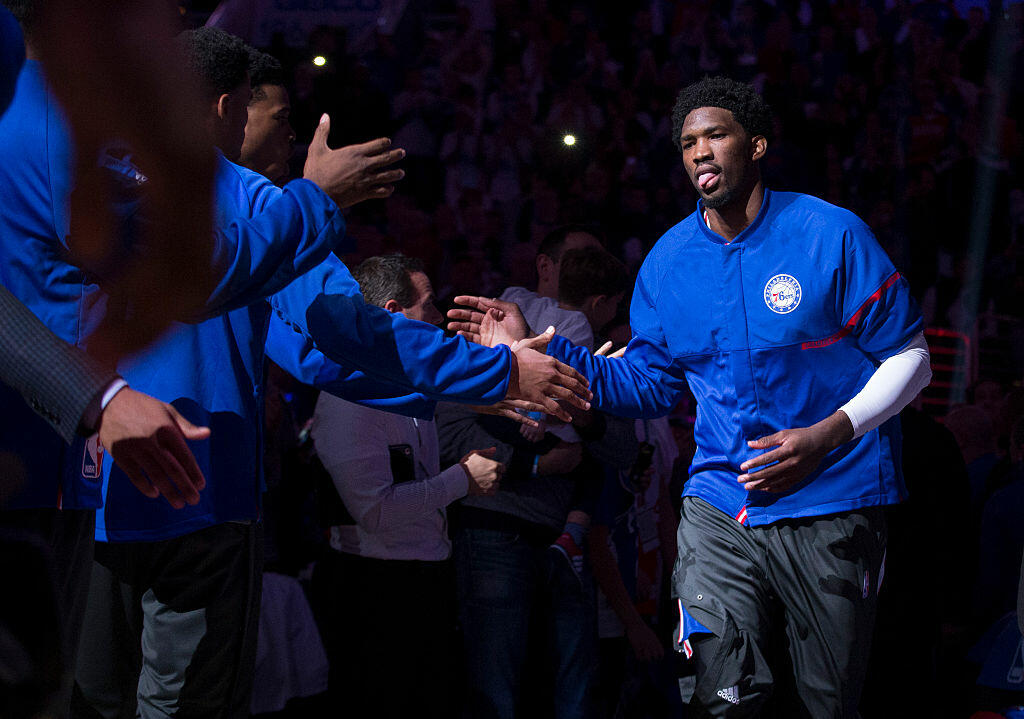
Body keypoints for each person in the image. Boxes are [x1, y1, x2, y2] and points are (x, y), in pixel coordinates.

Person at [67, 29, 587, 719]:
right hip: (203, 500)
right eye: (273, 114)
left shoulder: (82, 178)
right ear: (228, 108)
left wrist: (471, 384)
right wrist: (490, 371)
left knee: (89, 699)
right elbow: (343, 335)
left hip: (87, 498)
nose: (284, 136)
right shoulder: (265, 206)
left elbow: (313, 354)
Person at [449, 75, 932, 717]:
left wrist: (828, 435)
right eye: (686, 143)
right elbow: (646, 384)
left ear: (756, 145)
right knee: (720, 695)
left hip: (832, 494)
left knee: (827, 701)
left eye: (715, 135)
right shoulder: (668, 261)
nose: (699, 152)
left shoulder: (829, 233)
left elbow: (913, 357)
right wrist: (540, 352)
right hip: (718, 501)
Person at [311, 254, 505, 718]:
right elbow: (375, 512)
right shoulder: (348, 399)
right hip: (375, 593)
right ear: (394, 313)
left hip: (421, 579)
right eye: (430, 306)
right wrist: (462, 479)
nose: (440, 319)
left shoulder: (404, 390)